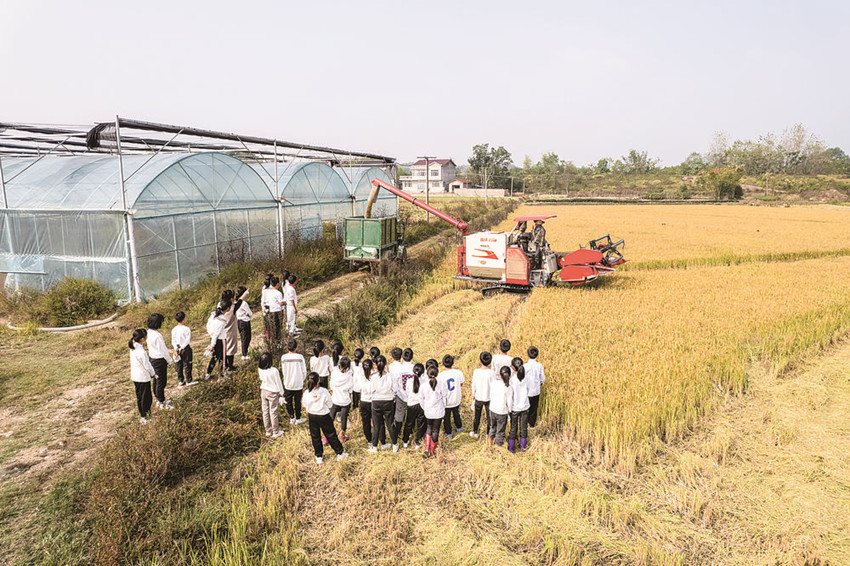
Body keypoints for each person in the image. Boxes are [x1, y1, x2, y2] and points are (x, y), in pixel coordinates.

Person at [302, 372, 348, 463]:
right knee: (331, 434)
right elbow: (330, 404)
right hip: (323, 415)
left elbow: (304, 404)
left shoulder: (306, 392)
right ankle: (339, 453)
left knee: (315, 436)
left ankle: (319, 456)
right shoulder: (324, 391)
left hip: (312, 415)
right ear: (318, 381)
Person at [369, 355, 398, 452]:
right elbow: (395, 389)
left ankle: (374, 446)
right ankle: (395, 444)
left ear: (375, 365)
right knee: (390, 424)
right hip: (388, 401)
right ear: (386, 364)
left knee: (376, 425)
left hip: (376, 402)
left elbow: (371, 389)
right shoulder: (390, 376)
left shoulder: (373, 377)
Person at [419, 366, 448, 458]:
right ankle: (432, 451)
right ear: (437, 374)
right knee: (435, 430)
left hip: (428, 411)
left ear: (427, 374)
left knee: (429, 428)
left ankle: (426, 449)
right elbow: (445, 398)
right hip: (438, 411)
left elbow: (421, 399)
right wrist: (443, 408)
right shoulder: (441, 385)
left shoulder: (423, 385)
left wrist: (425, 408)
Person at [147, 313, 173, 410]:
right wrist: (169, 360)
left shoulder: (148, 332)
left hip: (152, 358)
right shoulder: (157, 336)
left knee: (156, 381)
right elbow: (163, 350)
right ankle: (162, 402)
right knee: (161, 382)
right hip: (159, 360)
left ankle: (159, 399)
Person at [129, 329, 155, 423]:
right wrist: (153, 374)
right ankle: (146, 416)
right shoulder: (141, 352)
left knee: (139, 397)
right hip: (143, 377)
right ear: (142, 339)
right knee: (146, 398)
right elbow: (147, 365)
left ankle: (142, 416)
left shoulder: (133, 347)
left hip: (135, 376)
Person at [258, 352, 285, 438]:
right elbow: (278, 382)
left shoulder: (260, 369)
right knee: (273, 412)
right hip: (273, 392)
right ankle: (275, 432)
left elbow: (261, 378)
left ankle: (268, 431)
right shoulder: (274, 370)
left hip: (263, 390)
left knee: (265, 411)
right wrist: (282, 393)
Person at [281, 339, 307, 424]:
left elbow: (284, 371)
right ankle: (298, 417)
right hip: (298, 382)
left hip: (288, 383)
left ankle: (292, 417)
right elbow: (304, 371)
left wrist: (286, 379)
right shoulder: (300, 357)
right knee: (297, 401)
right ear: (296, 347)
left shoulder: (284, 357)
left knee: (288, 401)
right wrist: (302, 379)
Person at [438, 354, 465, 439]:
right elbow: (461, 383)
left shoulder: (441, 376)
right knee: (456, 413)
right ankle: (459, 427)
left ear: (442, 363)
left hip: (446, 401)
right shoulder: (458, 373)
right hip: (456, 398)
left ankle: (448, 433)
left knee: (446, 417)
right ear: (453, 363)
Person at [488, 367, 514, 451]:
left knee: (492, 428)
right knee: (500, 432)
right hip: (502, 412)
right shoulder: (509, 388)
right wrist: (509, 411)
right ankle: (497, 450)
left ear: (499, 374)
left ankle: (488, 445)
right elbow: (509, 402)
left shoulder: (494, 383)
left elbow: (491, 395)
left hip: (492, 409)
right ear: (510, 375)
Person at [329, 356, 354, 441]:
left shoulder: (334, 373)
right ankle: (342, 436)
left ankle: (326, 436)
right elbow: (350, 390)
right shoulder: (349, 376)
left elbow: (331, 386)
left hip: (335, 399)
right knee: (344, 419)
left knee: (331, 417)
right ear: (348, 367)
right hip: (345, 401)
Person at [508, 360, 531, 453]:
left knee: (513, 428)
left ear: (513, 368)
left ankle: (511, 448)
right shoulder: (527, 378)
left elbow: (510, 395)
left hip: (515, 408)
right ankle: (522, 448)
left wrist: (509, 408)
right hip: (525, 406)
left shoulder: (512, 380)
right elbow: (528, 391)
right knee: (523, 428)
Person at [402, 363, 426, 449]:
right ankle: (418, 442)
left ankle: (405, 440)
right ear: (423, 372)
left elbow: (406, 393)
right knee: (421, 424)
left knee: (409, 423)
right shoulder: (424, 382)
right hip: (421, 405)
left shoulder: (409, 381)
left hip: (411, 405)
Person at [470, 351, 494, 438]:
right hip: (489, 397)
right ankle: (488, 434)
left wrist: (473, 394)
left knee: (477, 416)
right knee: (489, 417)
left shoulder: (476, 372)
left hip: (479, 397)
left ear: (480, 361)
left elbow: (474, 385)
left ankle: (475, 432)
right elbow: (493, 385)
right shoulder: (492, 373)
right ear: (490, 361)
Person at [388, 347, 408, 442]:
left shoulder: (391, 366)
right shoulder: (403, 367)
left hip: (395, 391)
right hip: (403, 391)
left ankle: (397, 430)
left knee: (398, 413)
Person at [205, 301, 229, 380]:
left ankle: (208, 373)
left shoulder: (213, 315)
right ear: (227, 308)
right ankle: (222, 374)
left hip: (213, 338)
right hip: (220, 339)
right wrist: (212, 344)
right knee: (222, 358)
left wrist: (210, 333)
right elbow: (217, 333)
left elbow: (208, 325)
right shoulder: (222, 319)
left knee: (214, 357)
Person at [171, 311, 195, 387]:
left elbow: (173, 340)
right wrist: (182, 347)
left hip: (177, 349)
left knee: (179, 365)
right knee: (187, 364)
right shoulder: (186, 329)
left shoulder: (174, 329)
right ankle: (188, 380)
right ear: (184, 319)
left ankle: (180, 381)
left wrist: (176, 348)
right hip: (185, 348)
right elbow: (187, 340)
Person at [524, 346, 546, 428]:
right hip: (536, 391)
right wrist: (541, 383)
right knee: (534, 408)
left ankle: (525, 423)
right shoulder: (539, 365)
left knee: (526, 408)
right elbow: (542, 378)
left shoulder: (525, 366)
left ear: (527, 354)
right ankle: (532, 424)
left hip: (527, 391)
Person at [356, 358, 375, 444]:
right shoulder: (375, 377)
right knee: (376, 420)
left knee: (365, 421)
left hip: (364, 401)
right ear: (372, 367)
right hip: (373, 400)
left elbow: (357, 389)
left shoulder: (360, 377)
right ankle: (376, 436)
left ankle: (369, 438)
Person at [222, 289, 238, 371]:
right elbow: (240, 301)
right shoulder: (232, 308)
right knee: (231, 348)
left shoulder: (220, 305)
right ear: (231, 298)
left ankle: (224, 365)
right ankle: (230, 366)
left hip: (222, 330)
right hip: (230, 330)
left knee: (224, 348)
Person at [265, 276, 285, 345]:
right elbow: (281, 303)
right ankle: (278, 341)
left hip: (271, 311)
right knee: (278, 327)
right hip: (278, 311)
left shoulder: (268, 292)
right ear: (277, 284)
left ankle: (274, 341)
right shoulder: (278, 293)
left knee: (273, 327)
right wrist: (285, 302)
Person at [235, 286, 252, 361]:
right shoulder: (244, 303)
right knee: (247, 338)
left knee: (243, 338)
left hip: (239, 322)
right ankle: (244, 354)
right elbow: (250, 313)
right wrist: (248, 314)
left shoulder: (236, 302)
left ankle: (245, 352)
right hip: (245, 322)